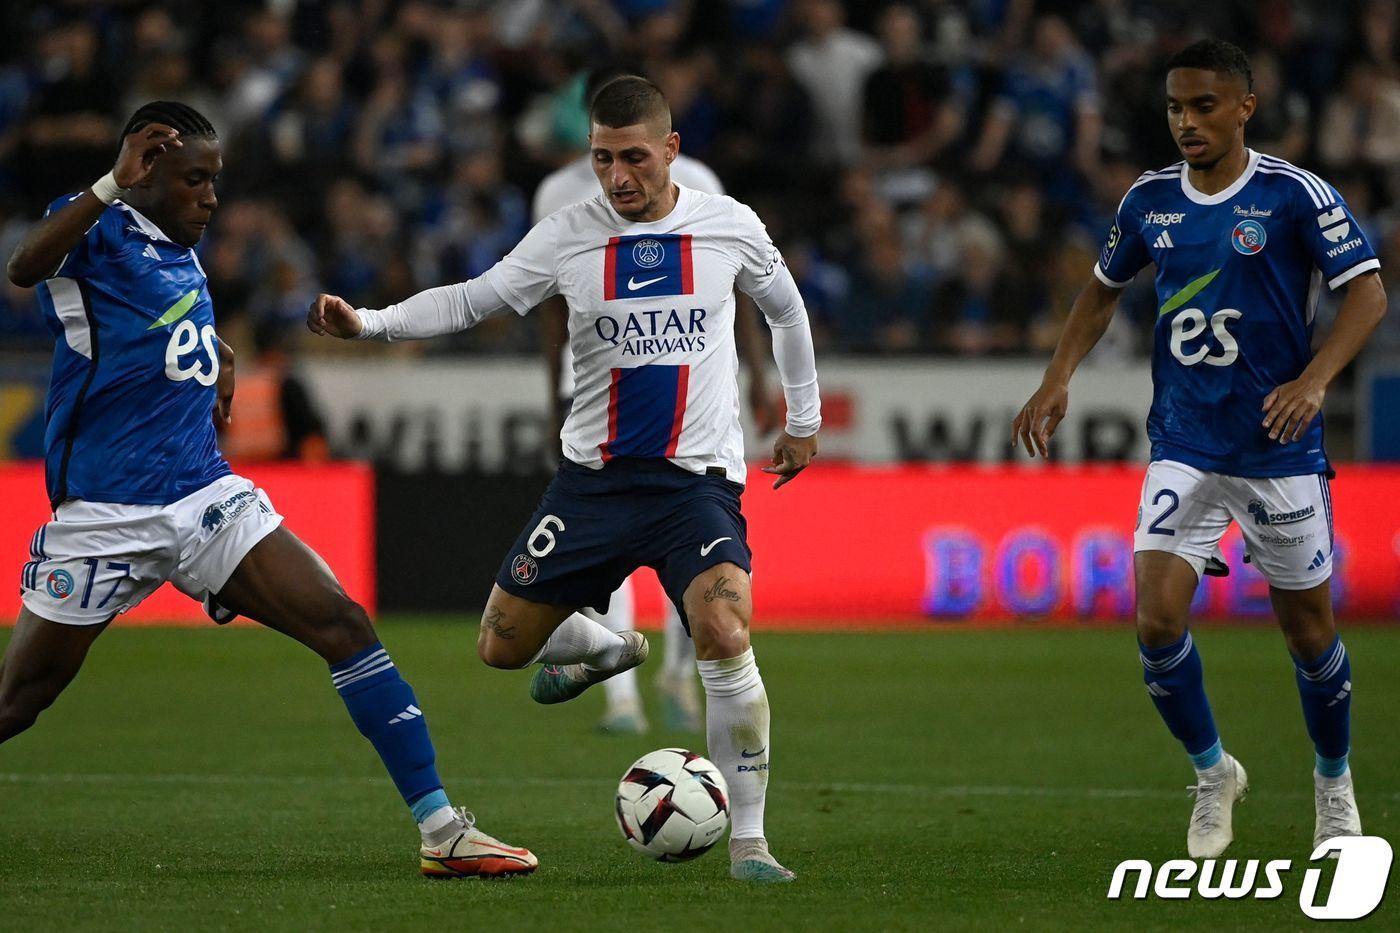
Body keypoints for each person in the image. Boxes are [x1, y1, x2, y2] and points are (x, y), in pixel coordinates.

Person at [2, 101, 535, 879]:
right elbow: (22, 268)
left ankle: (442, 828)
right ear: (143, 172)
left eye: (215, 180)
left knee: (344, 623)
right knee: (20, 702)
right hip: (107, 514)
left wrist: (213, 354)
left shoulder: (179, 250)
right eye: (194, 180)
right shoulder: (96, 229)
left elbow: (166, 327)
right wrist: (109, 184)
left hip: (202, 496)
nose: (211, 197)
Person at [309, 76, 821, 883]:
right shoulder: (567, 235)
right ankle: (609, 646)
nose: (618, 176)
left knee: (725, 630)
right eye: (602, 158)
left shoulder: (730, 227)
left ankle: (752, 843)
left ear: (672, 150)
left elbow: (786, 312)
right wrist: (371, 323)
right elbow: (474, 300)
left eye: (635, 158)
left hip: (696, 486)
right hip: (592, 485)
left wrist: (803, 418)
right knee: (500, 648)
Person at [1012, 40, 1387, 858]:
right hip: (1183, 443)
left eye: (1204, 106)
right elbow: (1100, 292)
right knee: (1154, 617)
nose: (1186, 121)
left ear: (1244, 107)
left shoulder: (1293, 195)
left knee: (1309, 633)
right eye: (1176, 107)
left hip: (1278, 449)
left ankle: (1333, 783)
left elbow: (1368, 291)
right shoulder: (1149, 202)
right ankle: (1214, 771)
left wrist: (1317, 379)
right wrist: (1057, 377)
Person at [533, 68, 780, 735]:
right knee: (609, 549)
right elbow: (551, 304)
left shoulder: (700, 180)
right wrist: (552, 385)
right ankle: (621, 694)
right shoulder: (559, 194)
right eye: (601, 146)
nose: (614, 164)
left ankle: (676, 671)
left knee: (689, 542)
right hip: (595, 388)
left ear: (662, 140)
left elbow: (740, 286)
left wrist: (759, 376)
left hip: (694, 392)